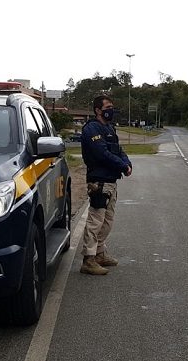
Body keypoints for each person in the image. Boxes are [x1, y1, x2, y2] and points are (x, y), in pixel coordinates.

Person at [79, 95, 132, 275]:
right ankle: (88, 259)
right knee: (96, 221)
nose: (111, 109)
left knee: (107, 222)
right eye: (108, 106)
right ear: (98, 110)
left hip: (111, 182)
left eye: (112, 106)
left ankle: (100, 253)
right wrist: (122, 165)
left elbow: (118, 150)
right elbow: (102, 154)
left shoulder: (109, 128)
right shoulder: (92, 129)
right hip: (99, 182)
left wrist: (127, 163)